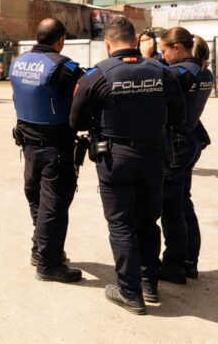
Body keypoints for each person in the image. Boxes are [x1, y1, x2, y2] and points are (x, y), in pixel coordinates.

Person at [70, 16, 185, 314]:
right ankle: (149, 284)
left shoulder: (97, 75)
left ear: (108, 44)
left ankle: (129, 291)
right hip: (153, 156)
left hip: (115, 157)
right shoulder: (162, 71)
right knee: (147, 221)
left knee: (121, 224)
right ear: (135, 41)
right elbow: (179, 116)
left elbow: (76, 121)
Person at [9, 18, 84, 283]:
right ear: (60, 40)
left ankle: (39, 248)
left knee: (37, 199)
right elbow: (87, 95)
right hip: (56, 146)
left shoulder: (18, 62)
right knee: (54, 205)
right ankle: (48, 264)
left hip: (28, 144)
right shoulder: (63, 68)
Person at [157, 27, 213, 283]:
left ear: (177, 48)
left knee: (171, 207)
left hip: (176, 144)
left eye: (164, 50)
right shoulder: (203, 71)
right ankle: (189, 260)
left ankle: (174, 265)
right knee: (182, 201)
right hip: (190, 141)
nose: (162, 55)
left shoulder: (177, 74)